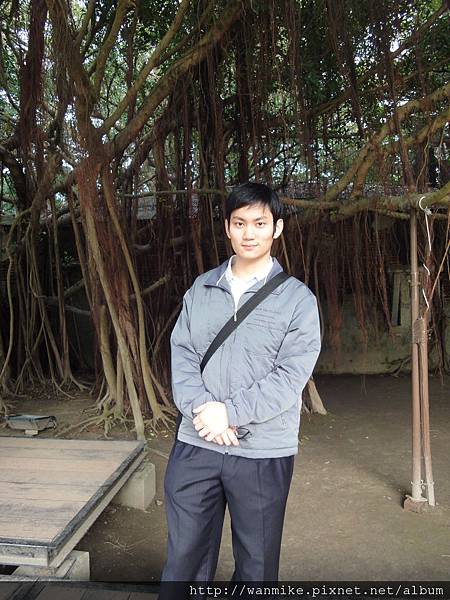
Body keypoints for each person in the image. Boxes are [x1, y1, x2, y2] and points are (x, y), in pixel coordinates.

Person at [159, 182, 321, 588]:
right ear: (228, 228)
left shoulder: (298, 300)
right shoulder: (201, 289)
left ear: (277, 228)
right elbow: (182, 354)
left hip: (262, 450)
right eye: (240, 223)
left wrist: (229, 413)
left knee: (257, 565)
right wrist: (203, 412)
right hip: (197, 443)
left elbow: (290, 376)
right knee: (184, 558)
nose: (249, 233)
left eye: (260, 223)